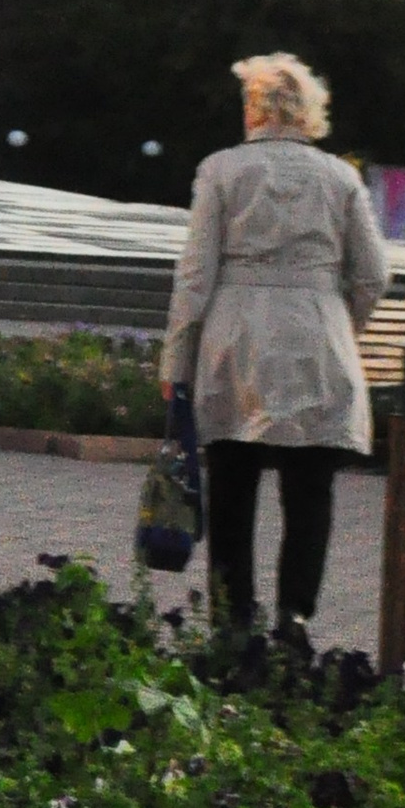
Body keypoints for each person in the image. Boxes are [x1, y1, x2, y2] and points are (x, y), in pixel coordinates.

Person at [161, 49, 389, 636]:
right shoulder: (342, 177)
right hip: (318, 339)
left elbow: (195, 275)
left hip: (236, 342)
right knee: (310, 493)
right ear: (308, 111)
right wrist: (340, 323)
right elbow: (372, 275)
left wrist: (176, 361)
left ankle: (233, 620)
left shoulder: (221, 171)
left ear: (254, 110)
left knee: (232, 486)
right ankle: (294, 619)